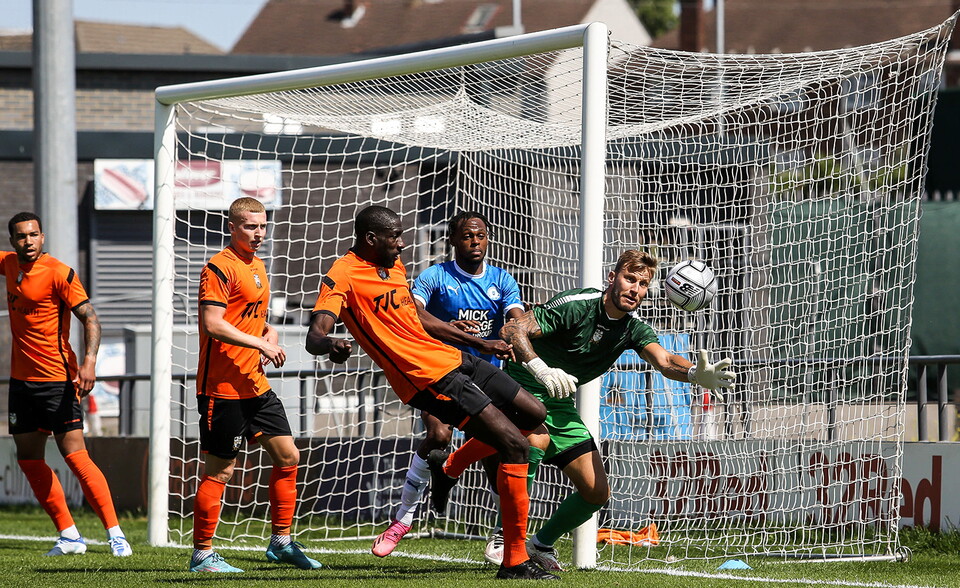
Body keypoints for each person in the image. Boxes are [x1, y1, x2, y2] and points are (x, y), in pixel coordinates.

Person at [431, 249, 736, 571]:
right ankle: (504, 536)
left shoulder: (633, 329)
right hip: (521, 388)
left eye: (643, 284)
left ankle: (539, 543)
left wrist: (694, 373)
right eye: (629, 278)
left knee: (596, 493)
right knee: (534, 442)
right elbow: (511, 330)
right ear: (612, 278)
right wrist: (540, 369)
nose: (635, 288)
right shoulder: (578, 304)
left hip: (559, 401)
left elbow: (664, 360)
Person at [305, 205, 557, 580]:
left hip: (455, 358)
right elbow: (314, 336)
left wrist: (481, 343)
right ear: (371, 239)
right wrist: (331, 344)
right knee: (516, 446)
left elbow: (417, 317)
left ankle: (450, 468)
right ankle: (515, 561)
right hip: (429, 379)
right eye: (395, 237)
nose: (402, 244)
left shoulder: (393, 265)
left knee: (536, 415)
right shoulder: (342, 275)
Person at [371, 211, 524, 564]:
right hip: (441, 373)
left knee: (497, 454)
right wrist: (448, 326)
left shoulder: (502, 280)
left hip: (486, 378)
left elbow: (516, 318)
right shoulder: (434, 277)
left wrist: (519, 329)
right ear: (452, 239)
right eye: (467, 235)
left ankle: (503, 534)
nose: (475, 241)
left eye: (481, 235)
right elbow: (412, 314)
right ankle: (402, 520)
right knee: (438, 436)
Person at [189, 197, 321, 573]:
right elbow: (213, 323)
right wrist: (260, 345)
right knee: (221, 472)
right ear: (232, 227)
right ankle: (202, 555)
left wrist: (269, 333)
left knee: (288, 457)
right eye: (250, 226)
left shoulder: (258, 265)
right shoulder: (218, 267)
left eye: (262, 226)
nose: (258, 233)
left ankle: (281, 543)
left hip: (255, 385)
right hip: (222, 389)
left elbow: (250, 319)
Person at [1, 211, 132, 557]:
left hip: (57, 380)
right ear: (12, 241)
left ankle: (116, 534)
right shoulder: (9, 264)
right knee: (29, 459)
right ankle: (70, 536)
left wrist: (89, 363)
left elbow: (91, 319)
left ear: (42, 237)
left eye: (33, 234)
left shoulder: (59, 272)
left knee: (75, 456)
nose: (28, 241)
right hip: (21, 383)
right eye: (21, 236)